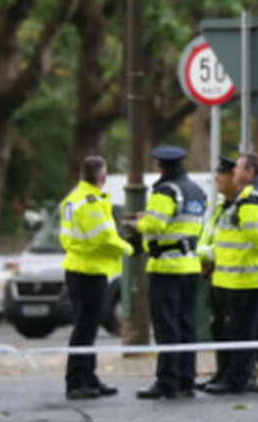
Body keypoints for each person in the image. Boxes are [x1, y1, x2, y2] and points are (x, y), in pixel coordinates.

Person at [204, 152, 258, 394]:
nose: (233, 174)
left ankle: (236, 380)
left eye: (238, 169)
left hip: (246, 278)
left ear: (249, 172)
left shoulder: (250, 198)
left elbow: (253, 232)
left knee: (243, 333)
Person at [134, 146, 208, 400]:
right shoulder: (197, 191)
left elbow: (154, 223)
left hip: (166, 266)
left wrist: (139, 221)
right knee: (187, 325)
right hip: (190, 265)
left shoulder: (166, 190)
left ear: (161, 167)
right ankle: (187, 380)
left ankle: (167, 381)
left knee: (167, 327)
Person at [60, 155, 134, 400]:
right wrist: (129, 248)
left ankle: (88, 377)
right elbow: (103, 238)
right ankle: (76, 381)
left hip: (80, 269)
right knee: (85, 329)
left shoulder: (73, 199)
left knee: (87, 328)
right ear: (102, 178)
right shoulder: (90, 202)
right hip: (89, 272)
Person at [196, 156, 239, 389]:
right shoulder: (220, 207)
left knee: (232, 329)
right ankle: (222, 373)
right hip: (216, 277)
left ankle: (233, 376)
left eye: (221, 174)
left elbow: (230, 244)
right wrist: (205, 256)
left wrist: (208, 256)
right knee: (218, 327)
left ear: (235, 177)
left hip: (232, 279)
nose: (216, 179)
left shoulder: (239, 206)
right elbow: (205, 239)